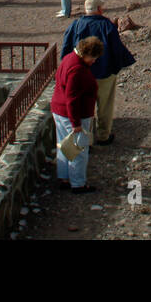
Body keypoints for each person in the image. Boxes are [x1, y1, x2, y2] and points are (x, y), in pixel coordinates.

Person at [60, 0, 135, 145]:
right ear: (99, 9)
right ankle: (103, 135)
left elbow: (66, 48)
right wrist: (119, 66)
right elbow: (116, 49)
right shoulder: (106, 26)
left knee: (83, 106)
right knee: (105, 105)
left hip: (81, 74)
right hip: (104, 72)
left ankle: (86, 139)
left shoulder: (76, 25)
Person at [51, 35, 103, 193]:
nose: (93, 62)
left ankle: (64, 177)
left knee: (63, 145)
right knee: (79, 149)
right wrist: (76, 124)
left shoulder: (69, 58)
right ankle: (78, 183)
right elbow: (72, 99)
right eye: (93, 58)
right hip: (73, 115)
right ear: (87, 54)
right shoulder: (77, 69)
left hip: (59, 110)